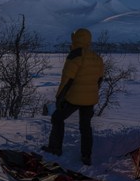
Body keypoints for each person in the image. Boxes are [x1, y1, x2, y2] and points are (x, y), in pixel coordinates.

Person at [43, 28, 104, 165]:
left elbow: (66, 80)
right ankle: (86, 156)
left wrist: (59, 98)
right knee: (85, 126)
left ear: (75, 39)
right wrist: (93, 92)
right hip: (90, 99)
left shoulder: (75, 55)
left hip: (74, 98)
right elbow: (99, 79)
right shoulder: (97, 57)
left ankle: (55, 148)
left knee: (57, 118)